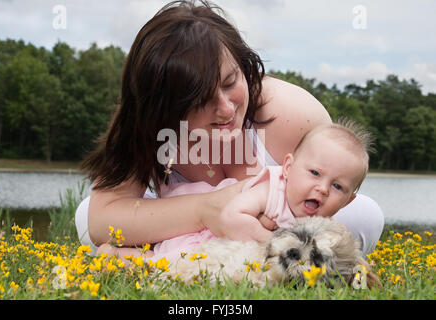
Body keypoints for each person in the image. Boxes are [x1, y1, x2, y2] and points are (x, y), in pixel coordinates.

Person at [75, 0, 384, 260]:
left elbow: (329, 193)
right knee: (85, 216)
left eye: (230, 82)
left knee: (364, 216)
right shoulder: (143, 125)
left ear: (242, 64)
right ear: (163, 106)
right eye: (200, 100)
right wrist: (209, 212)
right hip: (189, 230)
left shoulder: (293, 114)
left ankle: (161, 258)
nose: (226, 109)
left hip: (281, 228)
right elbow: (102, 220)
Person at [95, 119, 374, 263]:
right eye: (314, 173)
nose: (322, 189)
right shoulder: (273, 189)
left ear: (348, 200)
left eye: (337, 187)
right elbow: (230, 217)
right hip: (205, 232)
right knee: (168, 264)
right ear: (288, 167)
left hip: (236, 249)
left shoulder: (324, 221)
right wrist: (274, 241)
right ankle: (116, 255)